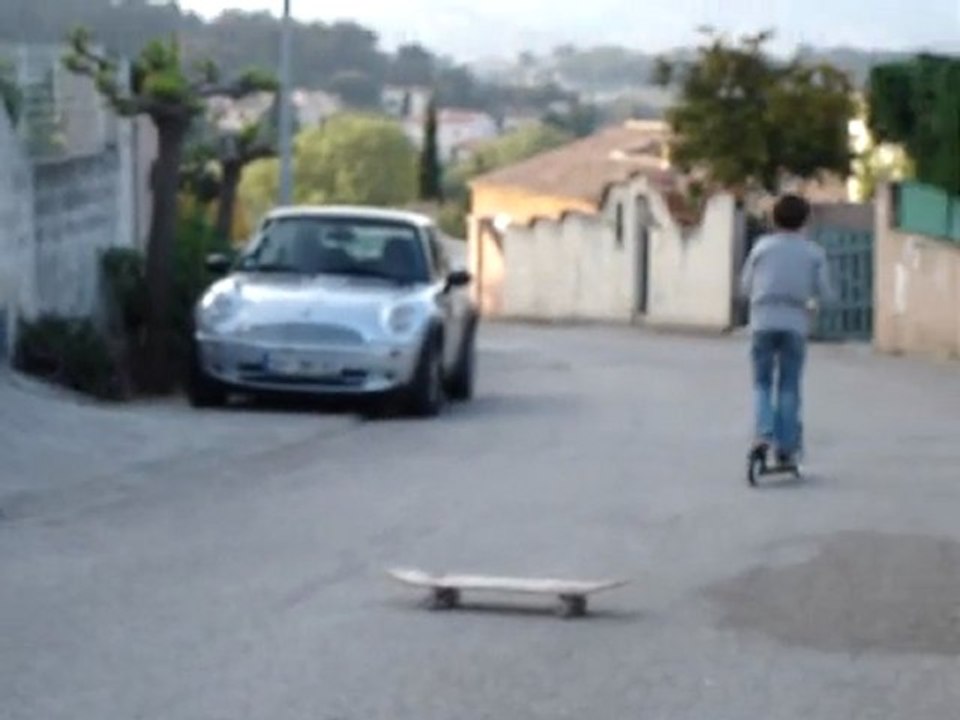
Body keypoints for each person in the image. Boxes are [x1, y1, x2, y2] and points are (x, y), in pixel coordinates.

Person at [739, 194, 833, 466]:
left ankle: (762, 434)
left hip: (763, 321)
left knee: (762, 382)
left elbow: (745, 286)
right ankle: (787, 446)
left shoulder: (761, 248)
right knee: (789, 386)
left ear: (773, 219)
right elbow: (825, 292)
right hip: (795, 324)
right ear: (806, 220)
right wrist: (812, 303)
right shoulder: (814, 252)